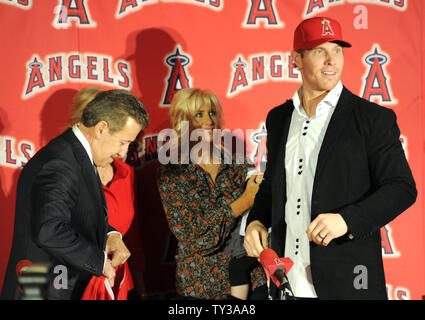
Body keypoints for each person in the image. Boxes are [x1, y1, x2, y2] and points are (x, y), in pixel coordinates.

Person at [243, 16, 417, 300]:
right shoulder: (279, 118)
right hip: (285, 282)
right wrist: (256, 222)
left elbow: (402, 188)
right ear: (296, 59)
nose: (331, 60)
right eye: (319, 51)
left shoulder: (373, 119)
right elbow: (273, 184)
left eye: (337, 50)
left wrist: (346, 221)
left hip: (348, 284)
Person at [1, 89, 149, 300]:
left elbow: (76, 214)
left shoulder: (78, 154)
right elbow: (49, 229)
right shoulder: (61, 163)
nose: (123, 153)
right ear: (101, 128)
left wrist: (110, 235)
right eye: (122, 142)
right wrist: (99, 262)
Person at [157, 88, 265, 300]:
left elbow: (261, 214)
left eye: (213, 113)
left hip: (252, 280)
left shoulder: (239, 163)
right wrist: (244, 201)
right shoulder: (172, 172)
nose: (209, 120)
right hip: (202, 287)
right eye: (199, 114)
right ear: (183, 121)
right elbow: (195, 237)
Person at [64, 87, 148, 300]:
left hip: (119, 283)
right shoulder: (63, 171)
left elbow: (133, 235)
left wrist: (140, 287)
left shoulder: (126, 172)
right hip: (76, 284)